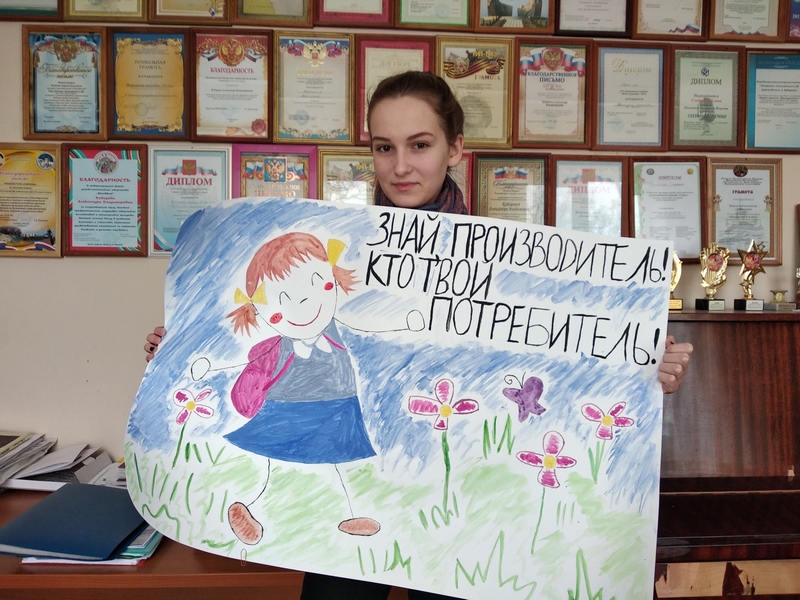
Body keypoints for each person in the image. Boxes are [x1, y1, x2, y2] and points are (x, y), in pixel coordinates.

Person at [143, 71, 693, 599]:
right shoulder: (334, 255)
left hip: (456, 491)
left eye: (420, 145)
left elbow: (556, 363)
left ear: (455, 149)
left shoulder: (510, 263)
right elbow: (264, 320)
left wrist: (643, 372)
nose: (400, 166)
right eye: (384, 147)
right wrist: (182, 344)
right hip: (364, 474)